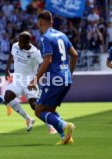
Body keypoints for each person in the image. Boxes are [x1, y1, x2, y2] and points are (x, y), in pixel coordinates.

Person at [28, 10, 78, 145]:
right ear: (52, 22)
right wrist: (69, 72)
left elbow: (47, 60)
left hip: (55, 79)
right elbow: (75, 55)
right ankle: (65, 137)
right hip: (66, 78)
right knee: (50, 110)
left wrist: (35, 79)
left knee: (38, 111)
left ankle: (65, 125)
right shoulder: (62, 35)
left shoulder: (45, 38)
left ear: (40, 23)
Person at [4, 31, 39, 132]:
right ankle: (29, 119)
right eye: (18, 41)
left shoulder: (35, 53)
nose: (18, 44)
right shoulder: (15, 46)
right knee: (7, 96)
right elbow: (12, 55)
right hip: (18, 80)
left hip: (30, 81)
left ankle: (51, 124)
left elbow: (44, 65)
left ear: (28, 42)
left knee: (33, 105)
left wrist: (36, 80)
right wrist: (7, 69)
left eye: (21, 42)